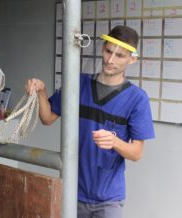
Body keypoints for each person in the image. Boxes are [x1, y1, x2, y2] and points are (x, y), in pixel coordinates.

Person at [25, 25, 155, 218]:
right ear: (103, 48)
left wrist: (116, 142)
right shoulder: (78, 84)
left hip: (108, 199)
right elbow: (47, 118)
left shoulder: (137, 99)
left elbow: (136, 153)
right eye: (109, 51)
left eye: (119, 56)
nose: (110, 60)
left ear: (132, 59)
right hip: (72, 193)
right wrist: (41, 92)